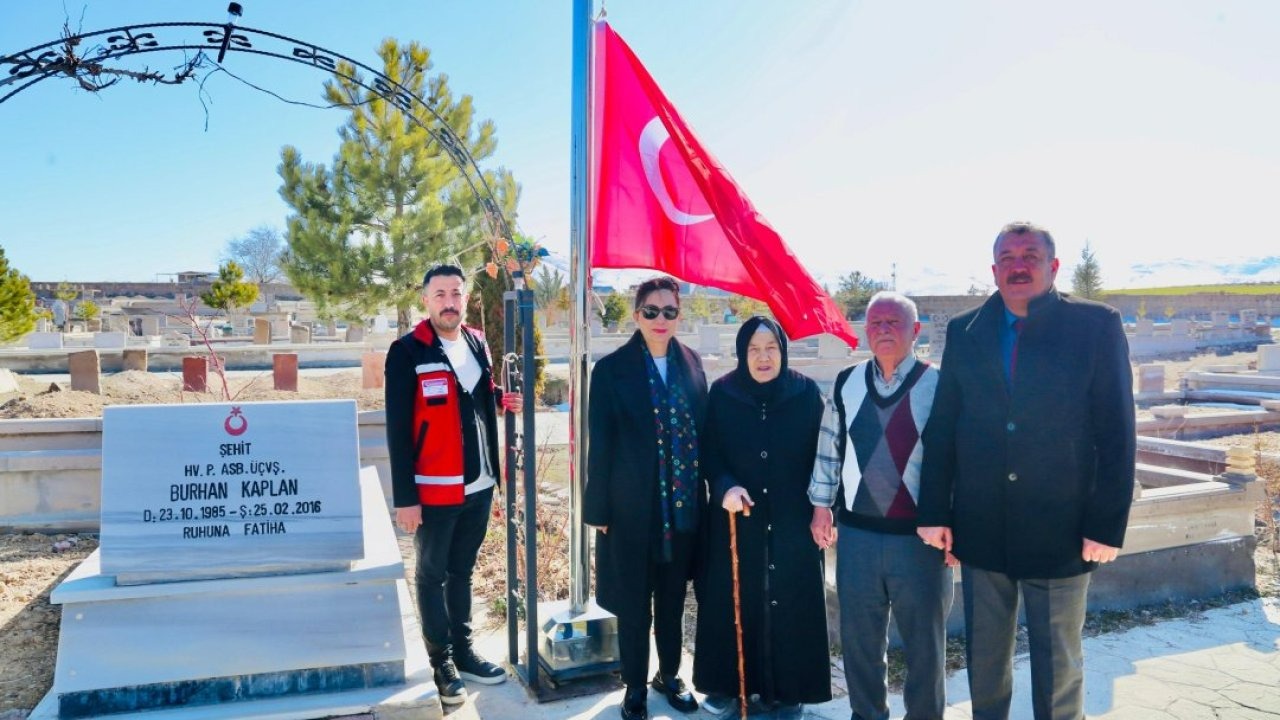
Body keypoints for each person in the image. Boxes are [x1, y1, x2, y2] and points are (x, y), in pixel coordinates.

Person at [917, 222, 1136, 720]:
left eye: (1030, 256)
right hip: (983, 526)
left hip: (1062, 529)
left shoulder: (1094, 326)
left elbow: (1117, 431)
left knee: (1058, 666)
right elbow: (944, 426)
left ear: (1053, 267)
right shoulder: (966, 331)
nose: (1018, 266)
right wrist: (935, 512)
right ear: (993, 269)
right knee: (985, 661)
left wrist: (1106, 525)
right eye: (1008, 258)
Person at [808, 292, 954, 720]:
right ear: (865, 331)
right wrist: (821, 505)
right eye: (875, 323)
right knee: (860, 643)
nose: (884, 329)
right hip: (858, 537)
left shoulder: (940, 385)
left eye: (894, 322)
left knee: (925, 645)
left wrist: (956, 526)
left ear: (915, 330)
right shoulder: (847, 383)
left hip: (920, 541)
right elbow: (829, 448)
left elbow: (957, 461)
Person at [384, 264, 522, 706]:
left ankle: (464, 652)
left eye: (456, 293)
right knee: (431, 575)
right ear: (426, 300)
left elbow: (476, 394)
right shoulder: (407, 351)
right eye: (440, 294)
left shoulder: (476, 341)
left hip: (480, 484)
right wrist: (406, 499)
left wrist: (501, 398)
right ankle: (440, 660)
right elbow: (397, 430)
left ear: (465, 297)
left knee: (462, 571)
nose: (449, 302)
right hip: (434, 489)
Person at [584, 276, 708, 720]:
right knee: (634, 604)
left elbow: (704, 432)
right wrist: (598, 508)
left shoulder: (692, 364)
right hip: (630, 508)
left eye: (669, 311)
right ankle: (635, 685)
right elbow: (600, 443)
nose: (660, 319)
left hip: (682, 508)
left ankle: (669, 676)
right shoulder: (611, 370)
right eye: (651, 311)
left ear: (678, 315)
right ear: (637, 315)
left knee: (672, 600)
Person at [694, 316, 830, 719]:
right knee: (733, 600)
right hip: (737, 518)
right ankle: (726, 685)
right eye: (753, 349)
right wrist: (725, 486)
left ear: (783, 351)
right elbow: (709, 452)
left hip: (792, 519)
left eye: (771, 348)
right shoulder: (723, 394)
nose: (763, 357)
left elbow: (824, 455)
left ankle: (789, 690)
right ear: (742, 353)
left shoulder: (805, 393)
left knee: (790, 600)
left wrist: (823, 506)